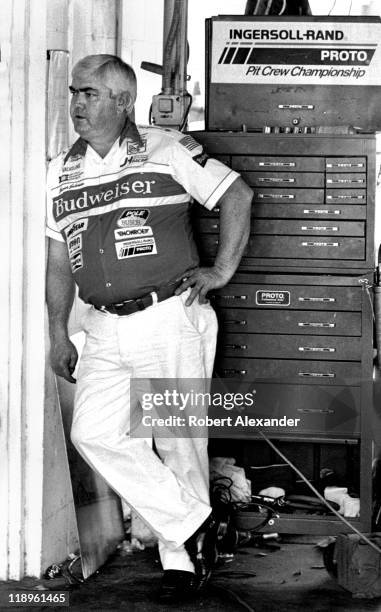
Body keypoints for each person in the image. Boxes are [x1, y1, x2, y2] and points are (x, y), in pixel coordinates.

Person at [46, 54, 252, 602]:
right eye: (74, 93)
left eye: (88, 93)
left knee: (179, 441)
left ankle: (181, 561)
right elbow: (58, 260)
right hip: (105, 326)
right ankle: (193, 523)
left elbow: (237, 194)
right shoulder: (59, 171)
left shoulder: (165, 149)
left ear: (122, 100)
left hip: (167, 315)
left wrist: (221, 270)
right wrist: (57, 332)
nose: (77, 104)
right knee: (93, 432)